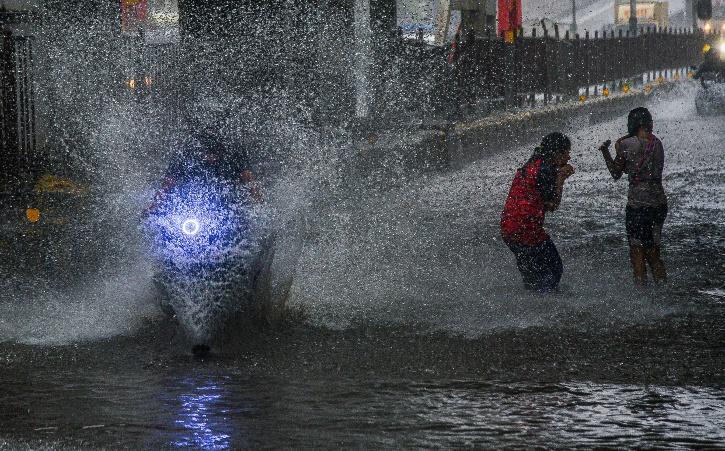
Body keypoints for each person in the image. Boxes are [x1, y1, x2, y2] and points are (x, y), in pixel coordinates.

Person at [600, 107, 667, 286]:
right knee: (654, 251)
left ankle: (641, 295)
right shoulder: (657, 143)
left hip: (638, 206)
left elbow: (615, 173)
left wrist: (605, 152)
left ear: (633, 124)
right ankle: (662, 288)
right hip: (659, 203)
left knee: (637, 251)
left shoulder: (626, 145)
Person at [501, 132, 575, 292]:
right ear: (557, 153)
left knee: (532, 275)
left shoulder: (532, 164)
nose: (569, 157)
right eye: (567, 153)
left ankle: (531, 306)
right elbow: (552, 205)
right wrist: (561, 178)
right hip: (527, 231)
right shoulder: (546, 170)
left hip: (509, 229)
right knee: (554, 268)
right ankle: (548, 306)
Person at [148, 132, 262, 213]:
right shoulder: (183, 156)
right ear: (199, 151)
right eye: (207, 154)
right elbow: (167, 185)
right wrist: (154, 206)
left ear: (221, 151)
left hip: (230, 199)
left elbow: (250, 181)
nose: (210, 158)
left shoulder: (234, 155)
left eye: (214, 155)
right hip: (193, 201)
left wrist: (258, 207)